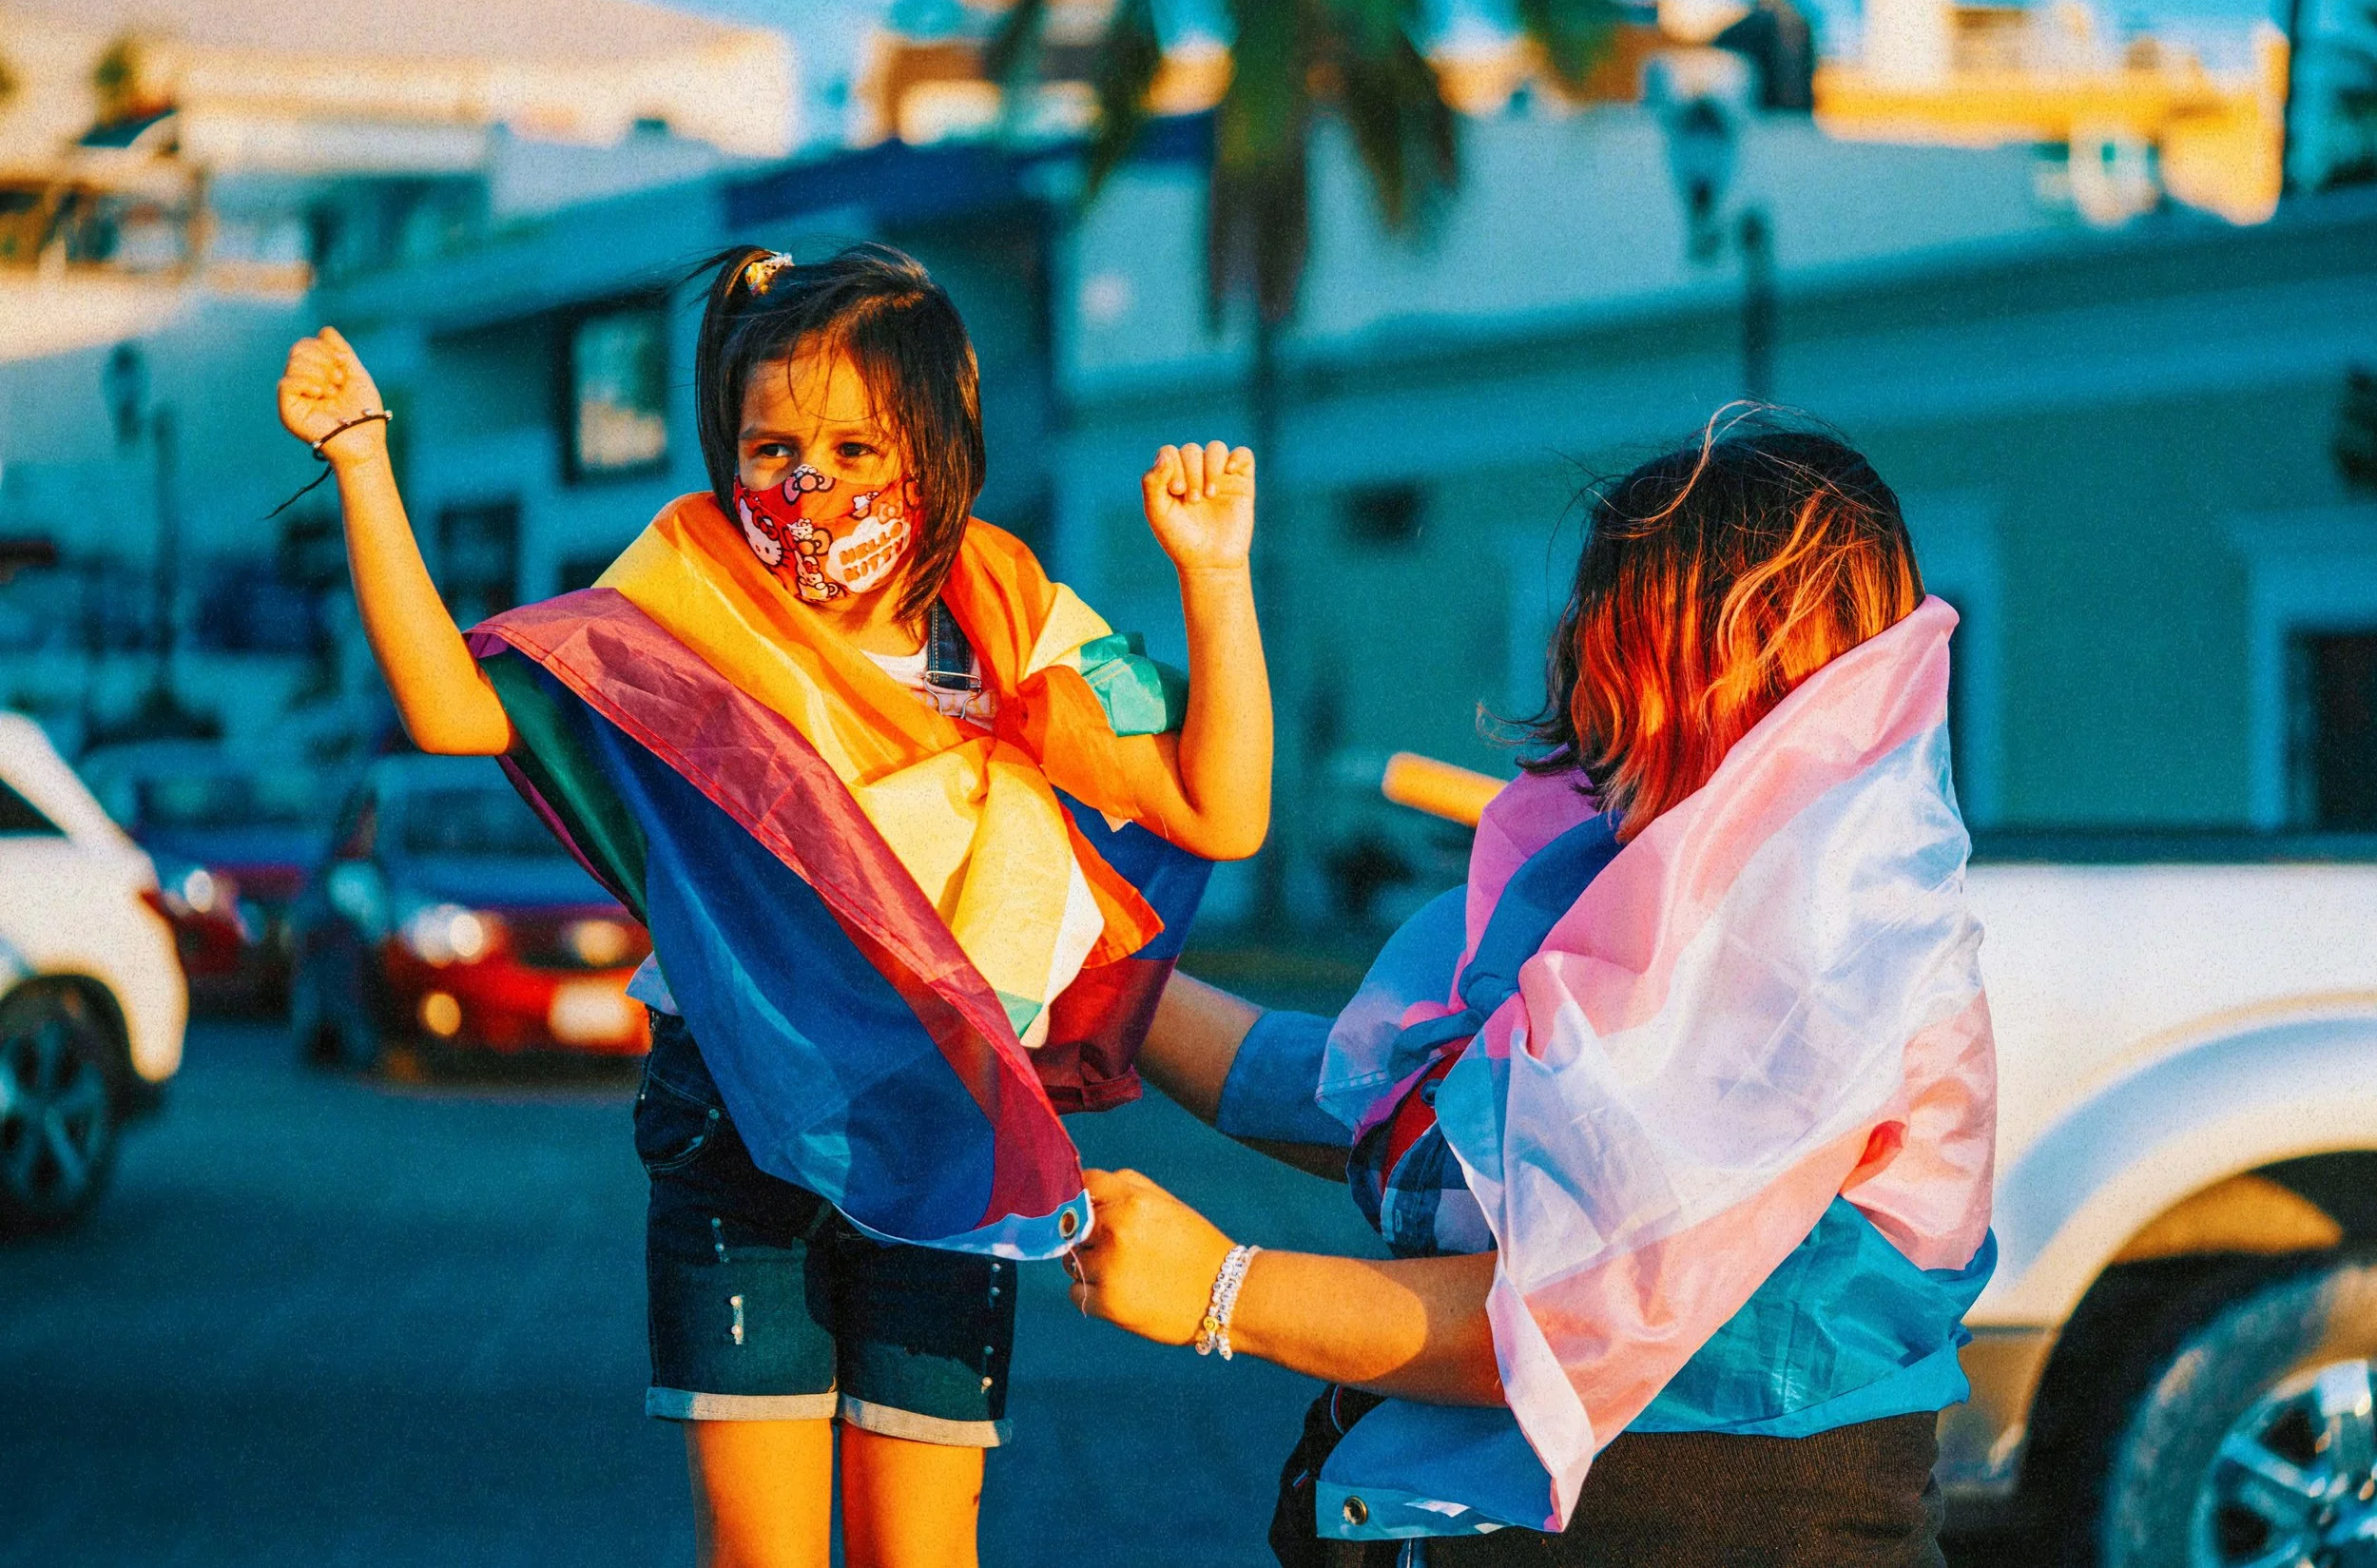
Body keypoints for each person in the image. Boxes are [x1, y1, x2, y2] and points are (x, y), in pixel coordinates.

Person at [274, 242, 1273, 1568]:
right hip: (732, 1106)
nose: (809, 484)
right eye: (771, 449)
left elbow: (1218, 810)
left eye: (856, 449)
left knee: (921, 1550)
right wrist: (362, 465)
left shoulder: (1012, 618)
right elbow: (455, 707)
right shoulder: (686, 603)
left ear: (939, 443)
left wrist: (1215, 575)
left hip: (948, 1107)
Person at [1066, 419, 1996, 1566]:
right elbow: (1380, 1100)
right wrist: (1088, 976)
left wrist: (1221, 1288)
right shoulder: (1652, 869)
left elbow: (1560, 1314)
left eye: (1617, 636)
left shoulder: (1817, 946)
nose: (1576, 667)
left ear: (1735, 664)